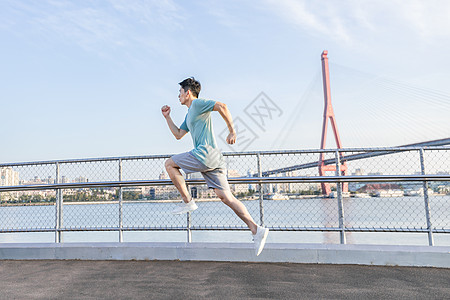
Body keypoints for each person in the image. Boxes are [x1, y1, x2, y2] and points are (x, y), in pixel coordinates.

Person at [161, 77, 269, 256]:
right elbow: (179, 134)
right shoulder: (189, 115)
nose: (178, 96)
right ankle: (256, 229)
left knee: (169, 164)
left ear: (188, 93)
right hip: (214, 159)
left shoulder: (197, 104)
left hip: (204, 154)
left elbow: (222, 106)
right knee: (227, 197)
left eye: (180, 92)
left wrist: (232, 130)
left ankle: (188, 201)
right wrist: (167, 117)